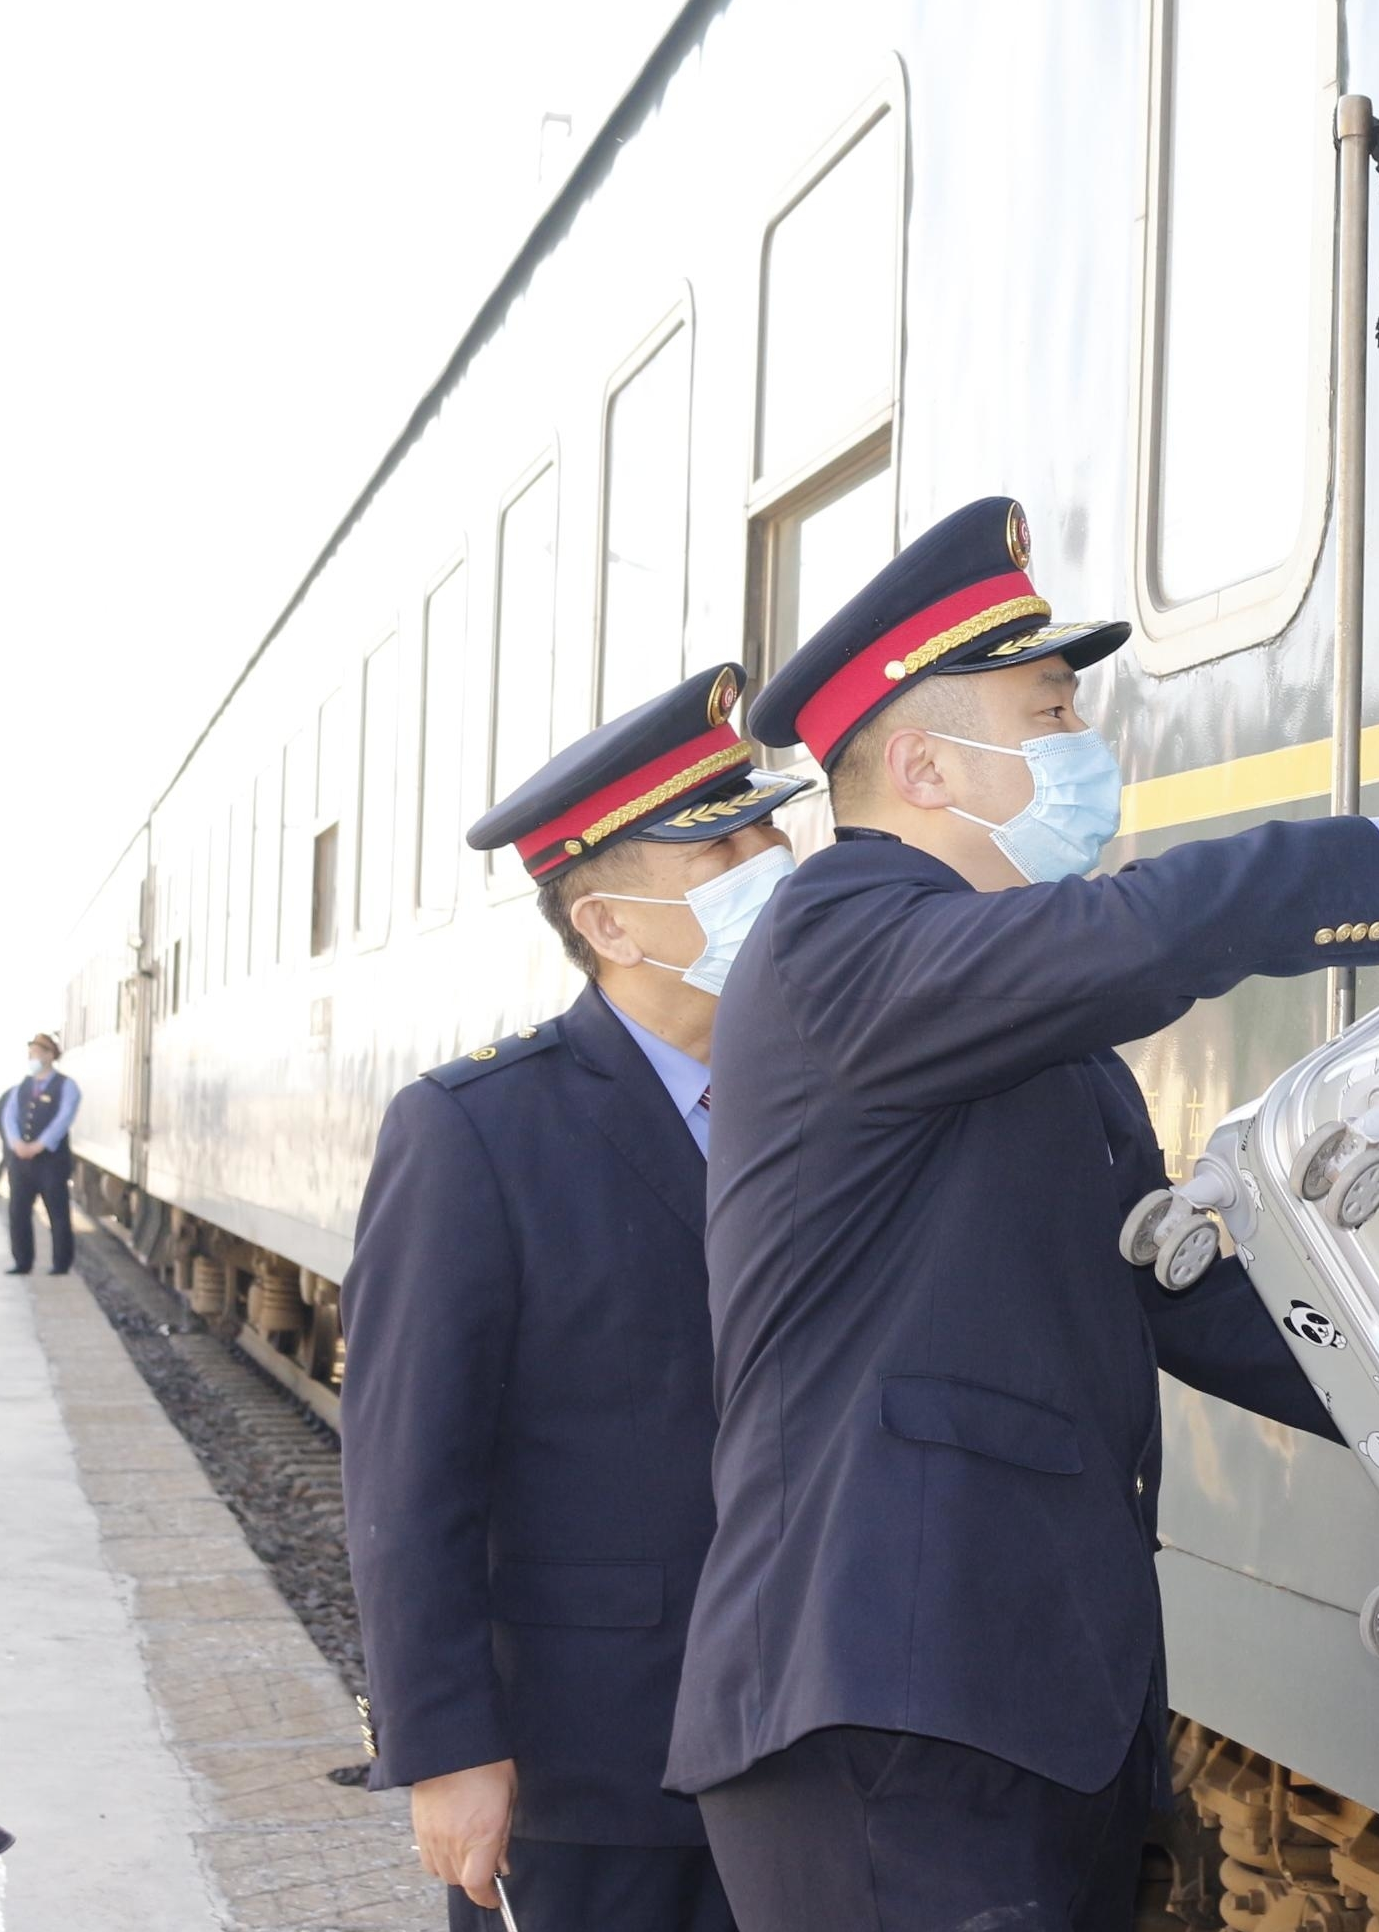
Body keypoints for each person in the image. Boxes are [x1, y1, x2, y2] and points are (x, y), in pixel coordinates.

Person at [666, 496, 1379, 1932]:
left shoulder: (1004, 1016)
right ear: (921, 762)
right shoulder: (836, 934)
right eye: (1049, 715)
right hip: (894, 1705)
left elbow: (1171, 1284)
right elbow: (1138, 930)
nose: (1088, 754)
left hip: (1019, 1700)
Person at [342, 663, 807, 1932]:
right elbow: (407, 1470)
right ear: (609, 924)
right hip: (593, 1761)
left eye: (767, 827)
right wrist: (445, 1750)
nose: (776, 859)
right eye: (727, 846)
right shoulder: (477, 1132)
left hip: (816, 1752)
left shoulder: (831, 1103)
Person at [3, 1033, 82, 1276]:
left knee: (57, 1214)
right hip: (21, 1161)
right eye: (30, 1055)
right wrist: (15, 1143)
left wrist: (40, 1145)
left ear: (49, 1055)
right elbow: (9, 1116)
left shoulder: (66, 1086)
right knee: (18, 1212)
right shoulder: (21, 1087)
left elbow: (63, 1119)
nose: (32, 1059)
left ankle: (60, 1263)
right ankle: (22, 1261)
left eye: (36, 1053)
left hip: (51, 1161)